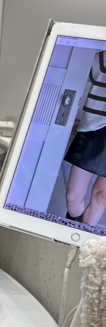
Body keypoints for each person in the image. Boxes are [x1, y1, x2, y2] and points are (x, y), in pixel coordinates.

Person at [64, 49, 106, 227]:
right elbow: (79, 72)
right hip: (94, 128)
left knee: (101, 195)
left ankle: (82, 238)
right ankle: (72, 229)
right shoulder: (101, 57)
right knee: (73, 198)